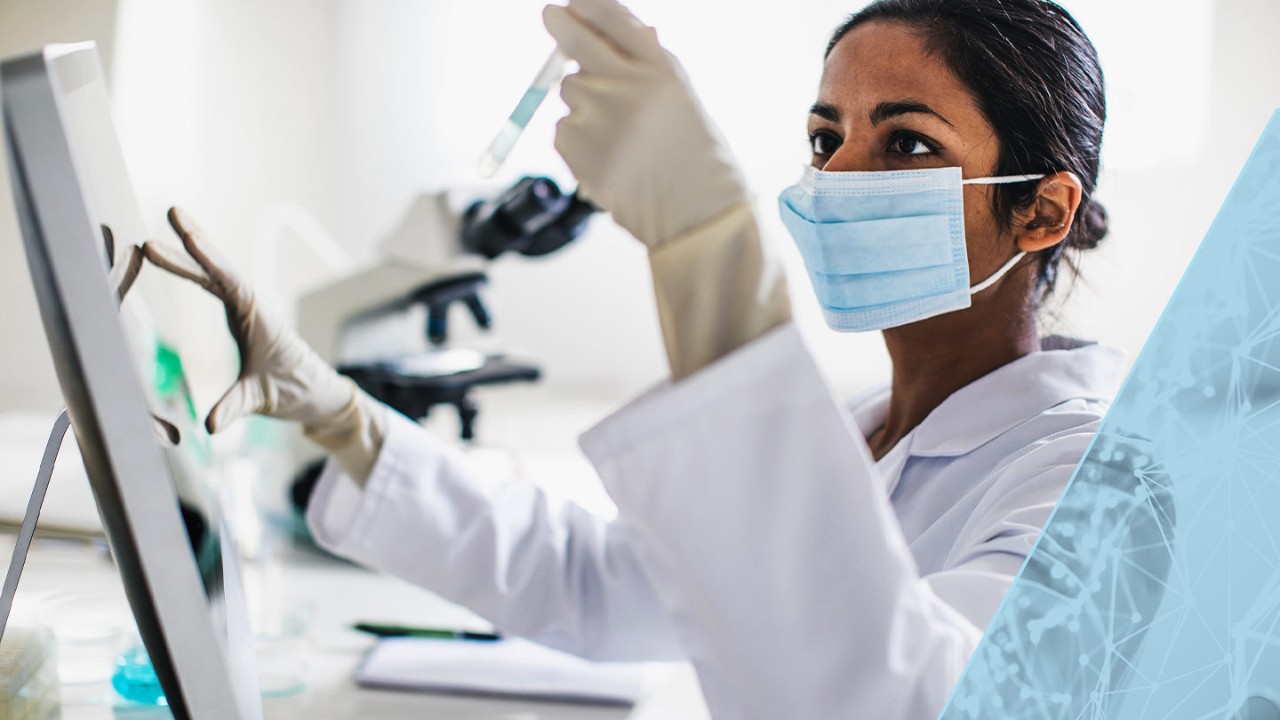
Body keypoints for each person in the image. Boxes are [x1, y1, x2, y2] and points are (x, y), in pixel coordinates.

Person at [143, 0, 1124, 716]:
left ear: (1040, 209)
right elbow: (593, 583)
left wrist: (705, 245)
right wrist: (341, 420)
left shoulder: (1092, 486)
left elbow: (893, 698)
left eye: (905, 144)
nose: (837, 180)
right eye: (824, 138)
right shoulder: (865, 423)